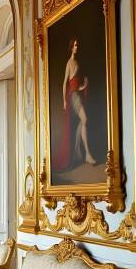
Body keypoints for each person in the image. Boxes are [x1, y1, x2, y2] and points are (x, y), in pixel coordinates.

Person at [53, 37, 96, 170]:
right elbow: (65, 83)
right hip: (73, 95)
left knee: (83, 121)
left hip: (77, 93)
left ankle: (81, 152)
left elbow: (76, 83)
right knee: (84, 119)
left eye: (78, 45)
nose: (77, 47)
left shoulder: (77, 61)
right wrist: (64, 100)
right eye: (75, 45)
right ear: (71, 47)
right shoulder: (69, 62)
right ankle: (87, 154)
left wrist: (83, 86)